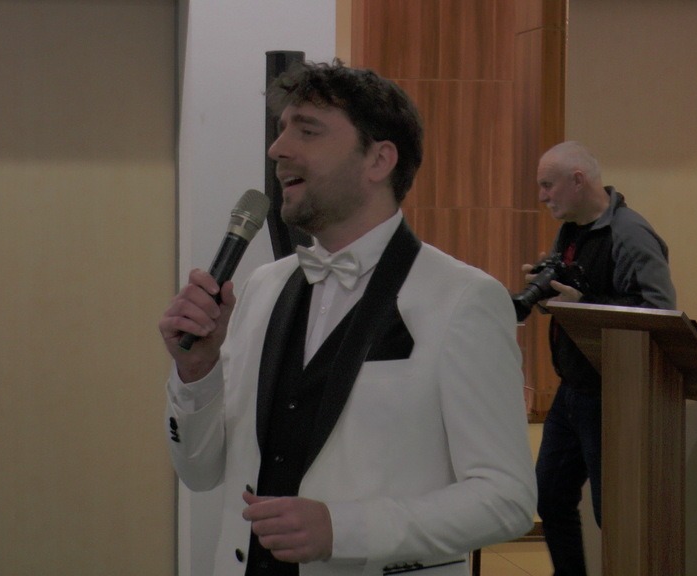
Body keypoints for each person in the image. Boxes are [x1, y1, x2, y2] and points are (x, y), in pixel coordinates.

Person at [159, 60, 536, 576]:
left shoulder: (465, 299)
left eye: (307, 130)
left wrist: (346, 529)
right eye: (281, 130)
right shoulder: (263, 288)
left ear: (379, 160)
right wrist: (196, 372)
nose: (277, 149)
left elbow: (507, 499)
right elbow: (200, 473)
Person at [526, 141, 676, 576]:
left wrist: (585, 304)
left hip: (612, 394)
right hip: (573, 390)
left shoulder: (630, 233)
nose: (542, 196)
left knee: (612, 513)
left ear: (578, 180)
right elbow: (577, 297)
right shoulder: (571, 228)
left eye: (548, 185)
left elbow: (661, 312)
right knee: (549, 495)